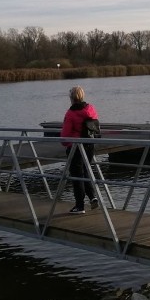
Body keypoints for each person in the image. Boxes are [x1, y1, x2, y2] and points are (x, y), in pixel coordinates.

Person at [60, 85, 99, 214]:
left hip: (76, 147)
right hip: (89, 145)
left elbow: (65, 136)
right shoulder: (91, 108)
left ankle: (79, 206)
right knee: (86, 171)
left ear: (71, 98)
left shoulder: (70, 113)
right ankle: (93, 196)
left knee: (77, 175)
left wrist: (65, 143)